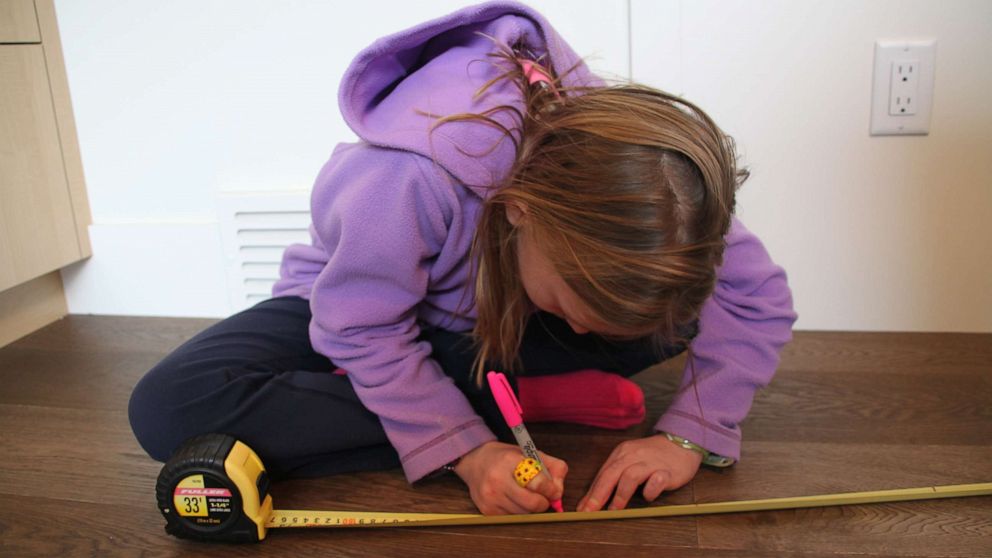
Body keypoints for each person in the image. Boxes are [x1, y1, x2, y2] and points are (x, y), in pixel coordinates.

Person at [128, 1, 798, 516]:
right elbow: (359, 326)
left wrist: (688, 433)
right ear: (520, 209)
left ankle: (480, 393)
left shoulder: (645, 187)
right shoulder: (409, 176)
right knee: (169, 407)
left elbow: (757, 297)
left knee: (675, 305)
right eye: (574, 307)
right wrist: (470, 452)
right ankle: (494, 403)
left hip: (493, 326)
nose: (585, 332)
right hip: (372, 316)